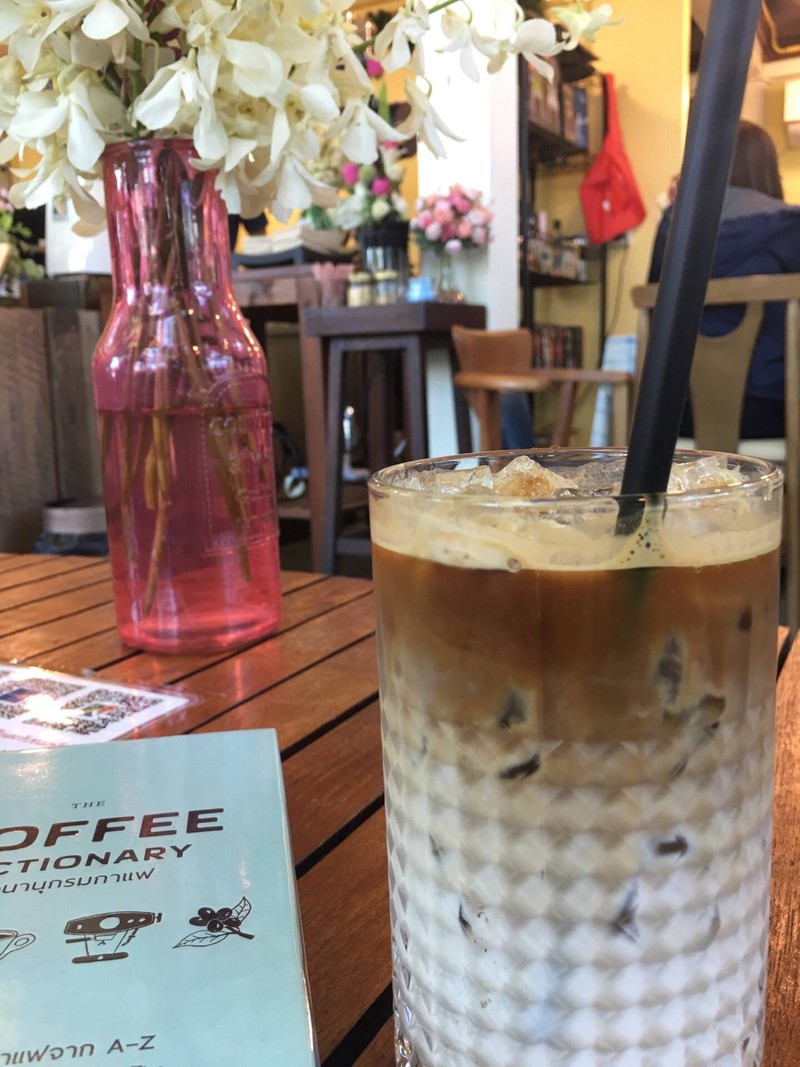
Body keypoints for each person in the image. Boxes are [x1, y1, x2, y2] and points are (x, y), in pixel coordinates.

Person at [648, 120, 800, 439]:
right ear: (768, 170)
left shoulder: (673, 225)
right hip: (773, 414)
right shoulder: (791, 226)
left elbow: (654, 311)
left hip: (673, 414)